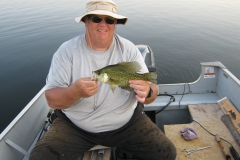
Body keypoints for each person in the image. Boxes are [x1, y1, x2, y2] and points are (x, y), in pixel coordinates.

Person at [29, 0, 176, 159]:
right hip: (75, 127)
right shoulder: (66, 52)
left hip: (127, 124)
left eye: (109, 20)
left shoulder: (128, 50)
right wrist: (74, 92)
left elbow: (152, 93)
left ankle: (122, 151)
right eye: (96, 19)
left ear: (115, 24)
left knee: (166, 152)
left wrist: (148, 92)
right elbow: (52, 101)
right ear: (85, 21)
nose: (103, 24)